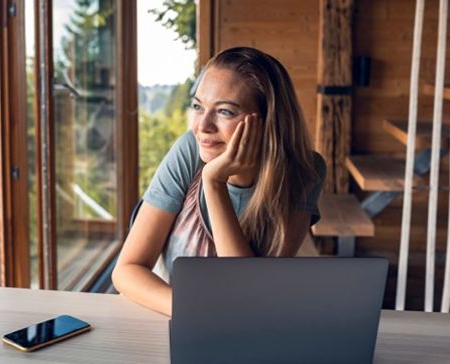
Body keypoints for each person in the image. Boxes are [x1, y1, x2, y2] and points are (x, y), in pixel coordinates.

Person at [111, 46, 326, 316]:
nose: (203, 126)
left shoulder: (305, 170)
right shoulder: (190, 150)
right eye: (198, 107)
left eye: (225, 111)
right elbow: (127, 270)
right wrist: (198, 311)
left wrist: (214, 183)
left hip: (245, 329)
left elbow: (251, 293)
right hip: (171, 318)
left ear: (269, 120)